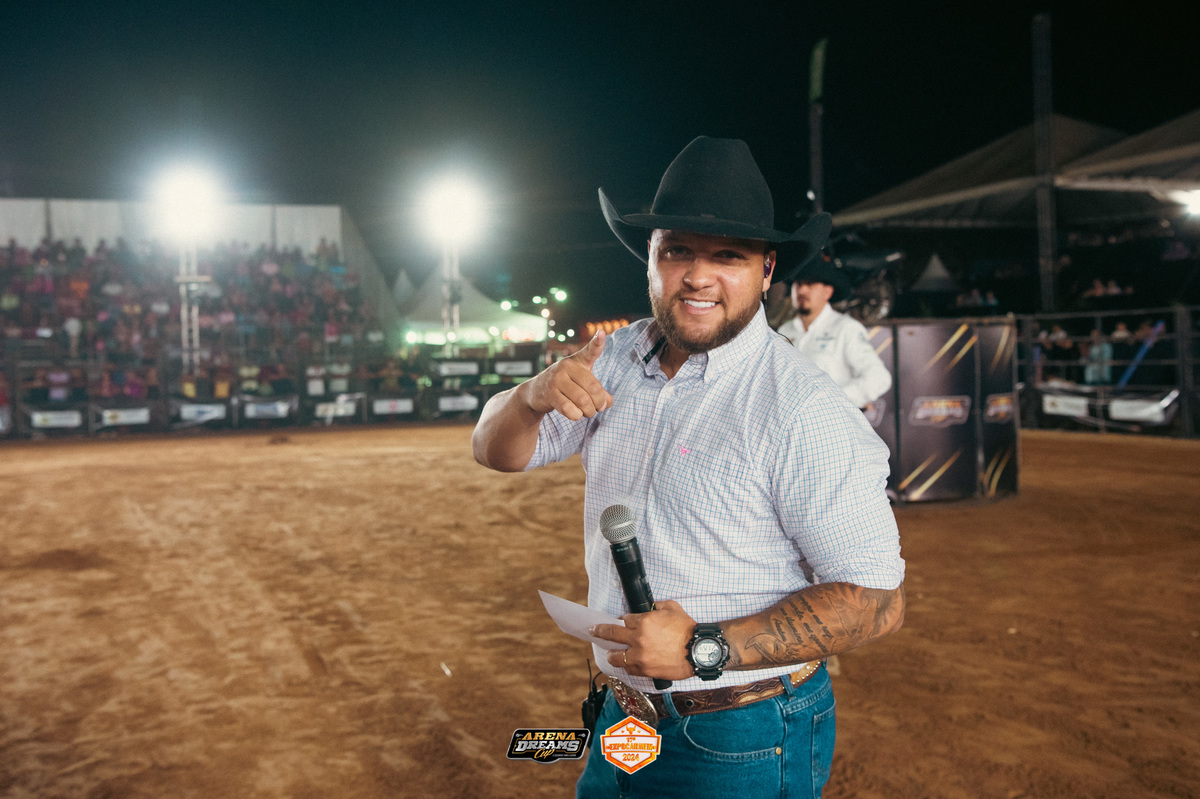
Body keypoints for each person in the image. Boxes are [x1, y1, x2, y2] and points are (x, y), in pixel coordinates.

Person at [471, 137, 905, 798]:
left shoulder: (804, 410)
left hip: (741, 729)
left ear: (767, 270)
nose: (697, 276)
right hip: (625, 715)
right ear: (649, 258)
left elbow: (878, 600)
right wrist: (530, 397)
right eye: (677, 250)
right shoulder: (613, 359)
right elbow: (493, 450)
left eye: (727, 255)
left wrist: (705, 646)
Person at [775, 257, 893, 409]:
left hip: (830, 418)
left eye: (810, 284)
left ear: (827, 292)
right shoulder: (784, 331)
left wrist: (833, 400)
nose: (802, 290)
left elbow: (879, 378)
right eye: (798, 284)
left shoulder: (846, 328)